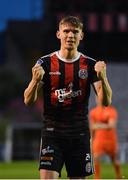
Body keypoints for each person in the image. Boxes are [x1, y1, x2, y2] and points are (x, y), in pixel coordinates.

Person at [24, 15, 112, 179]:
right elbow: (28, 100)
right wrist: (35, 80)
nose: (70, 35)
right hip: (52, 134)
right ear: (58, 34)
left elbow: (106, 102)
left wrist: (104, 78)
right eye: (66, 31)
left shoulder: (90, 65)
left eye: (75, 31)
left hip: (79, 136)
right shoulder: (45, 63)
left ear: (81, 35)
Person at [89, 104, 122, 179]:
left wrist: (98, 125)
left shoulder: (111, 111)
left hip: (110, 139)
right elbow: (92, 128)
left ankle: (118, 176)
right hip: (99, 139)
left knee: (115, 159)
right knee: (96, 157)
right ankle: (97, 177)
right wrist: (91, 140)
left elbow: (111, 125)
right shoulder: (93, 112)